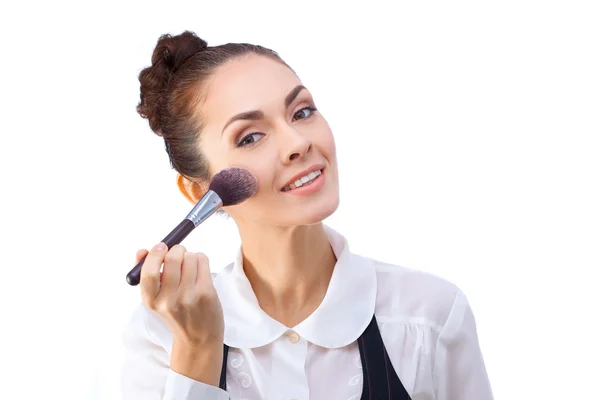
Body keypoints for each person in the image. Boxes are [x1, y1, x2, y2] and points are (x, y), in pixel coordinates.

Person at [120, 30, 494, 400]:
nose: (299, 143)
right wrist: (197, 348)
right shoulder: (159, 336)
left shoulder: (429, 317)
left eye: (302, 112)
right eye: (250, 137)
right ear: (198, 191)